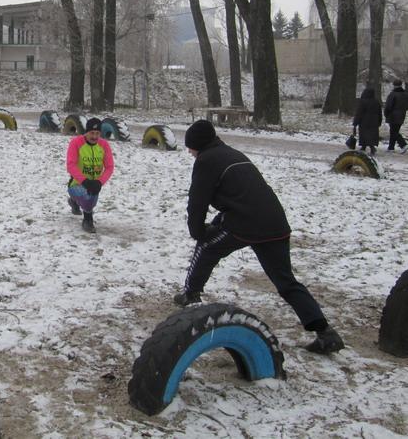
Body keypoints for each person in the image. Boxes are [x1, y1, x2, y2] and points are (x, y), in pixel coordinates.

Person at [174, 119, 344, 354]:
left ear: (197, 145)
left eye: (189, 147)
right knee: (286, 281)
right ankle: (325, 332)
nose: (189, 152)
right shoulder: (232, 153)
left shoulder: (206, 161)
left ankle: (190, 294)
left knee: (207, 246)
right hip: (275, 223)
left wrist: (197, 232)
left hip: (245, 223)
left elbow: (197, 201)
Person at [66, 117, 114, 233]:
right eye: (91, 133)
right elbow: (71, 165)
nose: (94, 137)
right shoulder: (76, 143)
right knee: (87, 195)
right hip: (77, 184)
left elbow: (109, 167)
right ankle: (87, 219)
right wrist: (85, 181)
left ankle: (75, 202)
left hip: (95, 184)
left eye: (97, 133)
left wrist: (100, 182)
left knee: (92, 194)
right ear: (86, 132)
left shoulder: (104, 145)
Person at [353, 86, 382, 155]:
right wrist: (379, 121)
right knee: (372, 134)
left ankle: (372, 148)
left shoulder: (363, 101)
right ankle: (364, 147)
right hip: (374, 121)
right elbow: (379, 112)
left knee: (364, 134)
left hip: (364, 121)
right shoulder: (376, 102)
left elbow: (359, 113)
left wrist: (355, 122)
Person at [384, 79, 408, 153]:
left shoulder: (392, 94)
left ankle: (403, 145)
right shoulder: (406, 94)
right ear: (401, 85)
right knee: (394, 131)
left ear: (394, 85)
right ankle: (391, 147)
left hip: (393, 115)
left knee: (394, 131)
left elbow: (388, 106)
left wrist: (386, 114)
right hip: (402, 115)